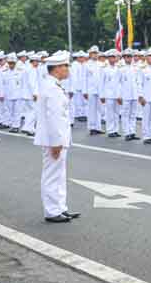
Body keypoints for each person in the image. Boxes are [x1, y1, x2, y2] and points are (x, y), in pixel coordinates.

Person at [34, 51, 80, 223]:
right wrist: (56, 143)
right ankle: (52, 211)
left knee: (59, 174)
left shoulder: (54, 86)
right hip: (54, 140)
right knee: (53, 174)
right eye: (65, 66)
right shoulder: (51, 88)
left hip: (58, 139)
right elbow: (53, 118)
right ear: (57, 69)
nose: (68, 69)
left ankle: (60, 207)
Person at [119, 49, 140, 141]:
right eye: (127, 56)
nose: (129, 58)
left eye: (130, 56)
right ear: (123, 57)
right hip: (125, 95)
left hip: (134, 94)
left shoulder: (136, 68)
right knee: (125, 114)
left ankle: (132, 132)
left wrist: (139, 94)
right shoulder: (120, 68)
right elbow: (118, 83)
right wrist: (119, 95)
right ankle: (127, 133)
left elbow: (138, 82)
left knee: (133, 114)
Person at [99, 50, 122, 138]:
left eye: (114, 57)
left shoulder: (118, 68)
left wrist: (120, 95)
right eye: (110, 57)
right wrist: (102, 95)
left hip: (117, 94)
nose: (112, 59)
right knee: (109, 113)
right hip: (108, 94)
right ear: (108, 58)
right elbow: (101, 83)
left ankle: (115, 130)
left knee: (116, 113)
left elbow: (120, 82)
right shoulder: (104, 68)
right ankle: (110, 130)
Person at [84, 46, 104, 135]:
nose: (95, 55)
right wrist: (85, 91)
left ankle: (98, 127)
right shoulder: (86, 64)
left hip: (100, 90)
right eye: (93, 53)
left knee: (99, 109)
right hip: (90, 89)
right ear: (90, 54)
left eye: (96, 53)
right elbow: (84, 79)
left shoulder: (101, 64)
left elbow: (103, 79)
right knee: (91, 109)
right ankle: (92, 127)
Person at [20, 53, 41, 137]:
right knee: (34, 112)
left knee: (29, 112)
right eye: (37, 61)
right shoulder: (31, 69)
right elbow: (32, 83)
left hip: (26, 94)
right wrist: (35, 93)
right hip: (31, 94)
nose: (38, 63)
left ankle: (29, 128)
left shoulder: (26, 68)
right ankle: (28, 128)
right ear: (34, 61)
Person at [3, 53, 22, 132]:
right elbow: (3, 84)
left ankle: (16, 126)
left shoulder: (20, 71)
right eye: (10, 63)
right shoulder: (5, 72)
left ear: (15, 63)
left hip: (18, 94)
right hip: (9, 95)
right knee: (10, 111)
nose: (11, 65)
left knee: (17, 111)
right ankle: (12, 124)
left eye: (12, 63)